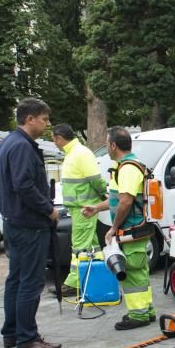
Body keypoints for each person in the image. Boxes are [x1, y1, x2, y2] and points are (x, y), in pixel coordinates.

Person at [0, 98, 62, 348]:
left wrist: (6, 208)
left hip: (15, 222)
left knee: (16, 280)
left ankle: (12, 333)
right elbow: (24, 185)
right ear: (30, 119)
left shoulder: (7, 143)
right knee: (30, 281)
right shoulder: (21, 147)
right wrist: (48, 209)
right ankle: (27, 338)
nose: (47, 124)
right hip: (29, 225)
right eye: (44, 119)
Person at [81, 127, 155, 330]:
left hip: (131, 229)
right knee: (139, 272)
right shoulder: (123, 167)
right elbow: (116, 200)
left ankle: (138, 315)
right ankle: (145, 311)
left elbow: (125, 202)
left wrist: (113, 228)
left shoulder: (128, 168)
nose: (106, 146)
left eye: (107, 143)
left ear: (113, 145)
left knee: (132, 272)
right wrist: (97, 208)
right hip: (131, 228)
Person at [52, 124, 106, 298]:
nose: (53, 142)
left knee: (79, 247)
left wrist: (103, 196)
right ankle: (97, 278)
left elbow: (95, 180)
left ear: (59, 138)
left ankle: (73, 283)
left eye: (53, 139)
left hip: (84, 207)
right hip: (82, 206)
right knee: (92, 246)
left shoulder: (79, 153)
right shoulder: (75, 153)